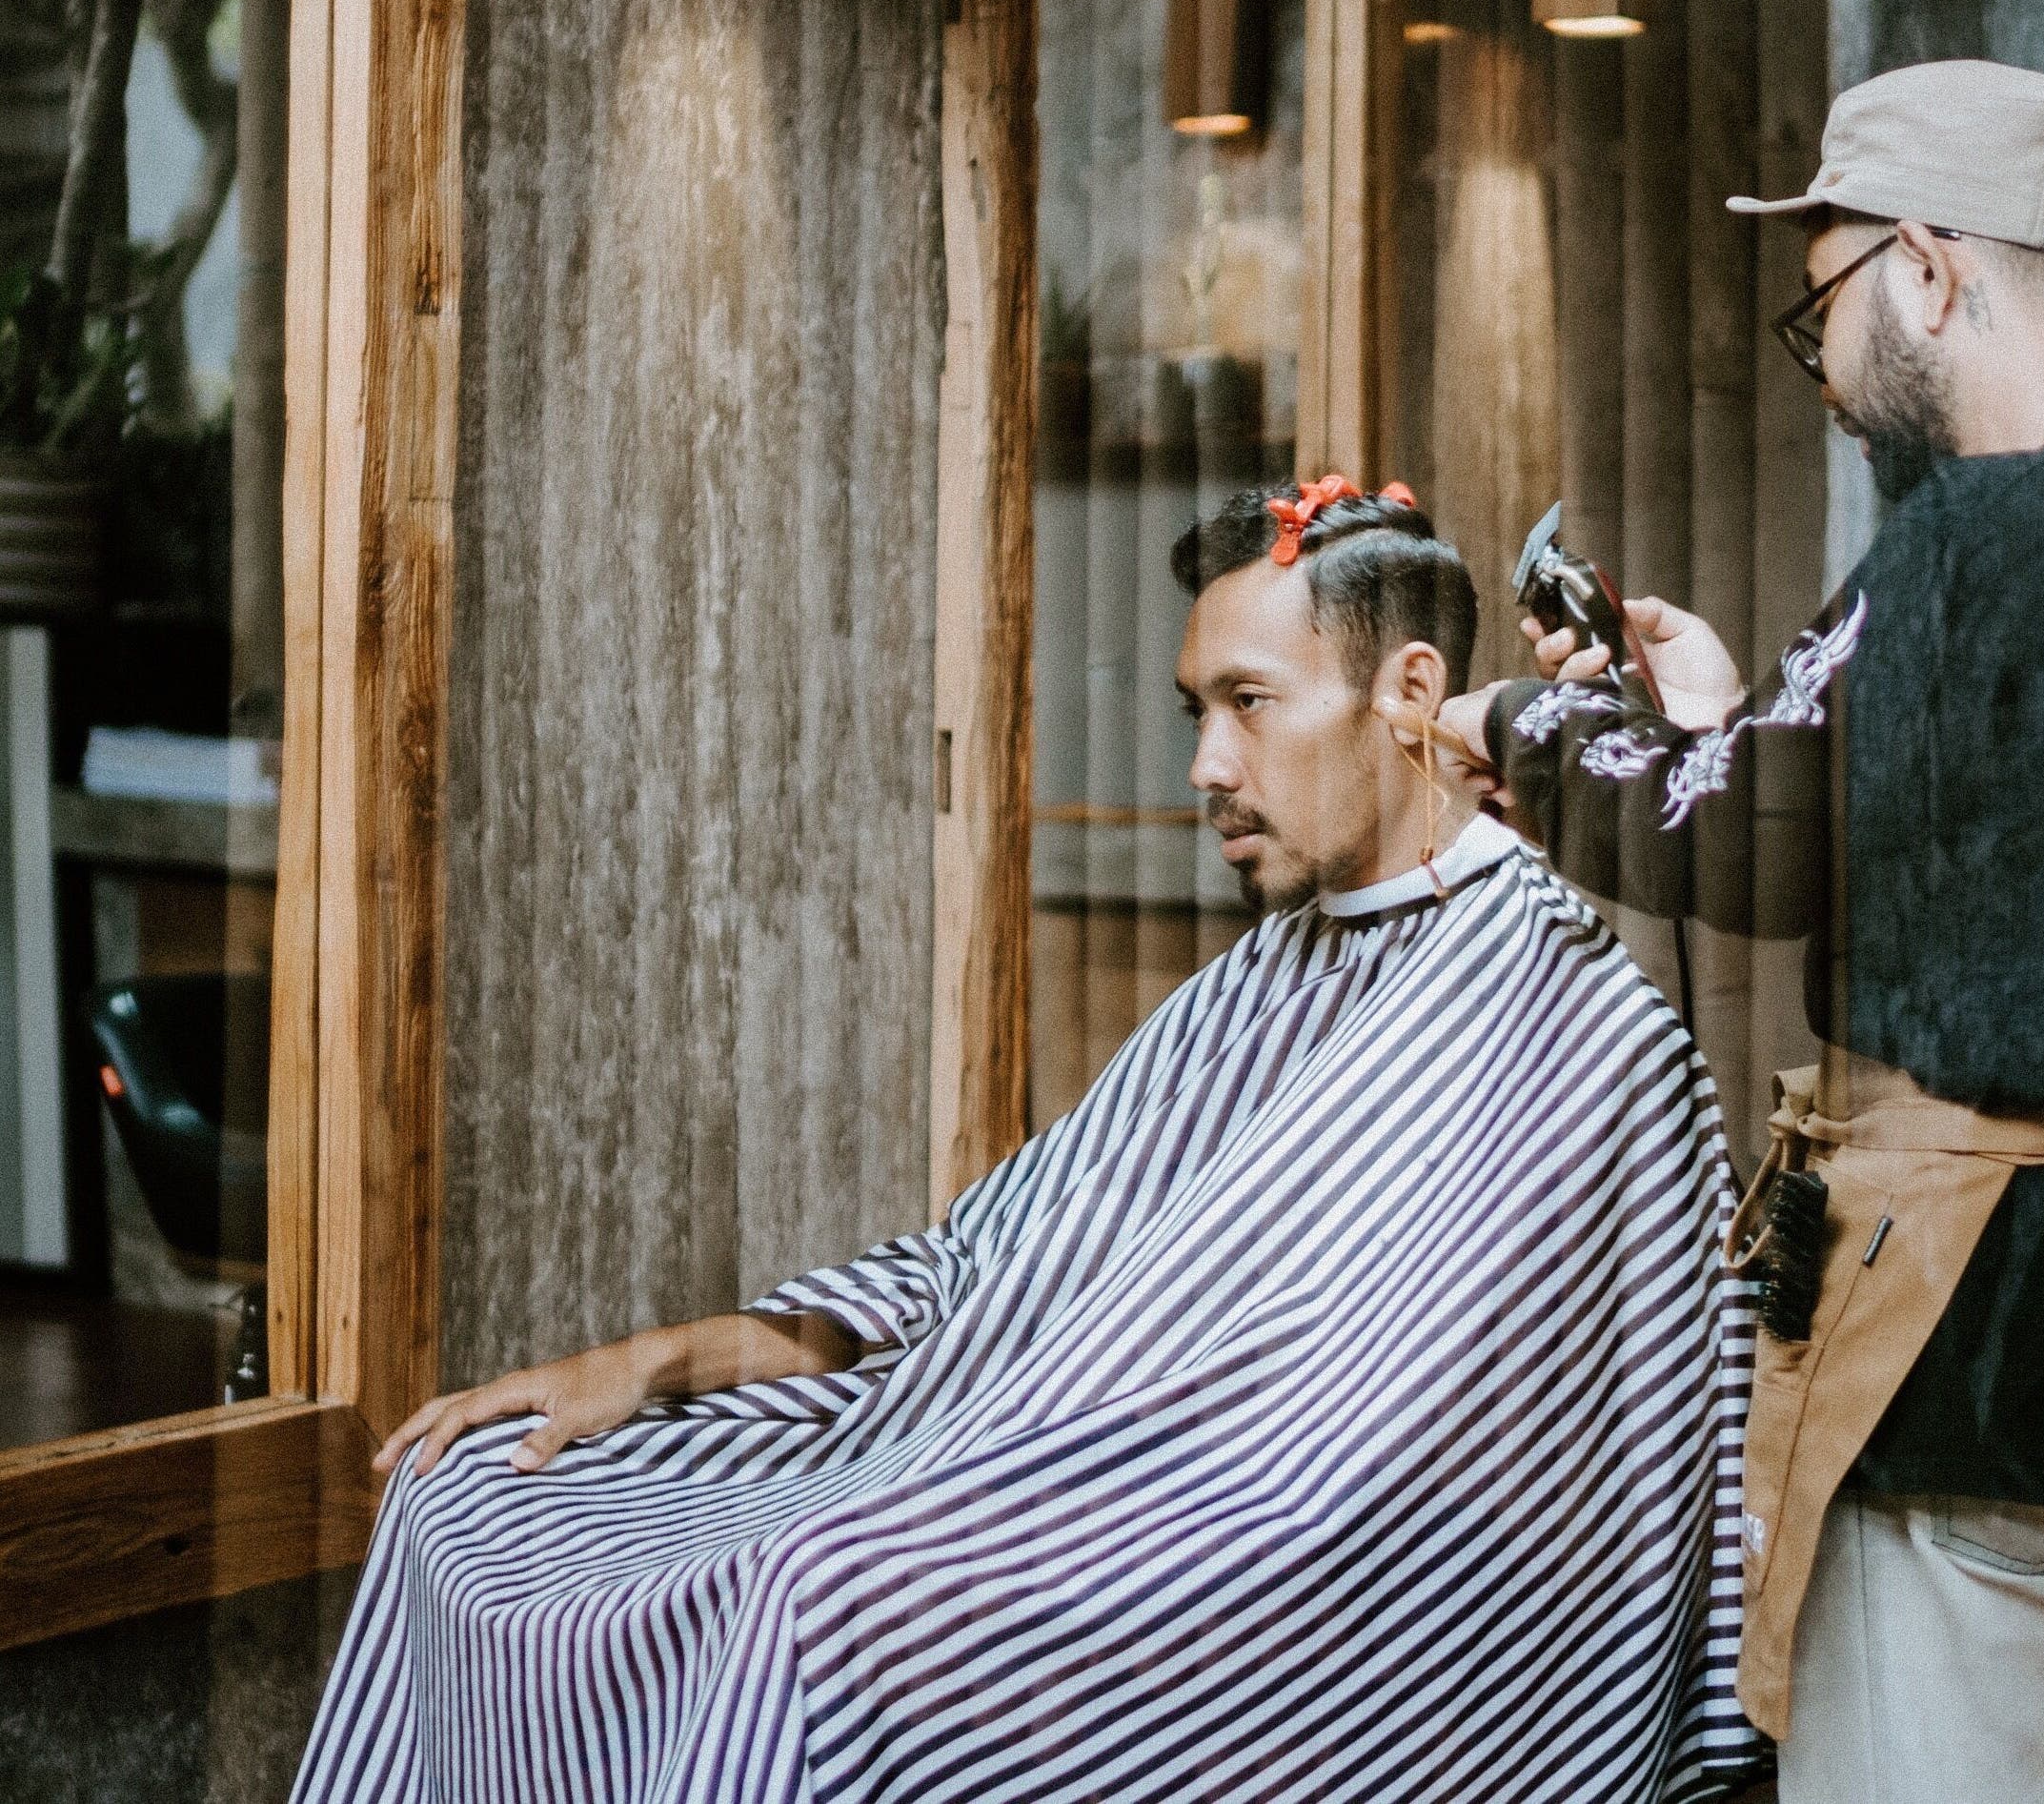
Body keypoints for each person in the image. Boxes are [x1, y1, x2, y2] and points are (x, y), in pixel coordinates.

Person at [293, 482, 1766, 1804]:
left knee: (817, 1611)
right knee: (469, 1493)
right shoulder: (1268, 976)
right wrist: (649, 1364)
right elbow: (981, 1274)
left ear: (1414, 693)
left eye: (1251, 703)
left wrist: (1016, 1519)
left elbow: (1422, 1481)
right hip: (1031, 1465)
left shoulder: (1573, 1028)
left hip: (1294, 1593)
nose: (1207, 765)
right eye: (1196, 710)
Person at [1424, 60, 2044, 1804]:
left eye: (1817, 304)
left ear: (1924, 267)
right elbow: (1893, 840)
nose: (1823, 367)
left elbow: (1757, 839)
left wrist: (1515, 728)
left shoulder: (1984, 526)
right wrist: (1712, 726)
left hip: (1959, 1333)